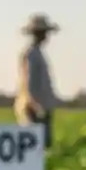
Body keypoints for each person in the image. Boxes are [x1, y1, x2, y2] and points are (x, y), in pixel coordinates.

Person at [15, 14, 60, 148]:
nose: (46, 36)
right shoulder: (31, 54)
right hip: (34, 109)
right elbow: (28, 82)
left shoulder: (37, 53)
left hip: (40, 107)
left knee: (43, 146)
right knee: (37, 147)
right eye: (44, 33)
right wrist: (36, 107)